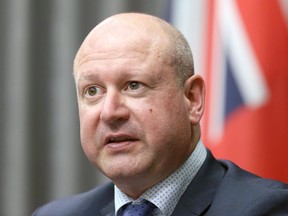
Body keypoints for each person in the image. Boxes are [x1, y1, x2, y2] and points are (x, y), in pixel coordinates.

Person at [32, 12, 288, 216]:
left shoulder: (268, 209)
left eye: (134, 85)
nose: (110, 112)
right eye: (92, 91)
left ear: (192, 99)